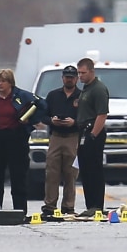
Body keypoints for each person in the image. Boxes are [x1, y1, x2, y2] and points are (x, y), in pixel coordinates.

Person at [0, 69, 48, 214]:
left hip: (16, 138)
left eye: (3, 81)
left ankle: (20, 210)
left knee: (18, 176)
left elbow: (43, 105)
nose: (0, 84)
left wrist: (31, 120)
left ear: (10, 82)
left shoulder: (21, 95)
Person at [41, 65, 81, 217]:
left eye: (72, 76)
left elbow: (86, 119)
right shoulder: (53, 95)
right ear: (62, 78)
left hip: (73, 137)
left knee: (71, 173)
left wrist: (74, 122)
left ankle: (68, 207)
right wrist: (52, 121)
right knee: (52, 172)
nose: (69, 79)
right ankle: (49, 206)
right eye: (66, 76)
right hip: (56, 136)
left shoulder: (81, 96)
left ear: (76, 78)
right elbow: (43, 116)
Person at [76, 57, 109, 215]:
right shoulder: (86, 88)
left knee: (94, 170)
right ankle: (90, 206)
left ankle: (97, 205)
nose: (80, 76)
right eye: (79, 73)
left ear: (92, 71)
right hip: (83, 132)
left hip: (93, 132)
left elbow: (102, 114)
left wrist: (93, 135)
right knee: (85, 170)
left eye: (83, 73)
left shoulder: (98, 89)